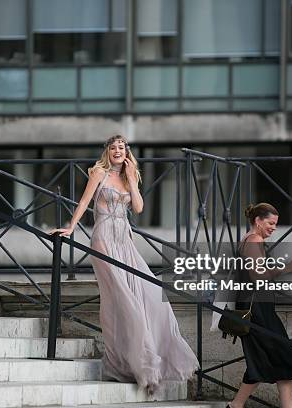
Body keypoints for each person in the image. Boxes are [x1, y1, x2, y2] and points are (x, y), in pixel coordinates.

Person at [50, 135, 199, 394]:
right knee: (124, 299)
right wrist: (71, 227)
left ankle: (129, 364)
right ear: (106, 152)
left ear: (127, 153)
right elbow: (85, 201)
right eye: (113, 147)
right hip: (104, 239)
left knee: (150, 295)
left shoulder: (131, 176)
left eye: (122, 147)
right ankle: (144, 369)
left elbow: (139, 208)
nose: (118, 150)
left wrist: (132, 178)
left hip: (125, 240)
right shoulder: (98, 173)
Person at [228, 203, 292, 408]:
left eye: (275, 224)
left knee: (269, 358)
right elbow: (258, 276)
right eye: (270, 223)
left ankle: (236, 405)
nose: (273, 227)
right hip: (257, 310)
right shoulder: (254, 240)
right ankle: (236, 405)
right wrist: (288, 267)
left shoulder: (250, 240)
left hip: (256, 307)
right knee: (283, 354)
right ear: (258, 221)